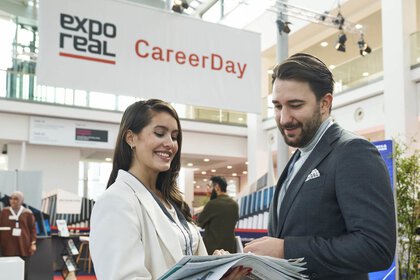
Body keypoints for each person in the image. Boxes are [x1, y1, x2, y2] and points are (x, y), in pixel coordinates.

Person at [243, 53, 396, 280]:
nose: (284, 118)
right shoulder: (296, 160)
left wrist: (286, 250)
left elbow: (376, 248)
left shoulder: (353, 152)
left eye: (295, 105)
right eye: (277, 106)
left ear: (325, 104)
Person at [90, 99, 250, 280]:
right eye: (159, 133)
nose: (170, 143)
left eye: (174, 137)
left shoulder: (171, 200)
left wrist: (216, 268)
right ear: (130, 138)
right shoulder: (116, 201)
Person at [0, 191, 37, 280]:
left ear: (21, 200)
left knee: (23, 271)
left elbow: (33, 229)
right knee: (8, 270)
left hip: (24, 246)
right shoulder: (4, 212)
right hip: (8, 247)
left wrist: (33, 243)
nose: (13, 201)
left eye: (16, 199)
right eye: (11, 198)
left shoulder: (27, 213)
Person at [198, 176, 239, 254]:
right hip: (229, 249)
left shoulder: (212, 204)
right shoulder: (235, 205)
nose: (208, 190)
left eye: (210, 187)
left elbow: (200, 222)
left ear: (217, 187)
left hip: (212, 251)